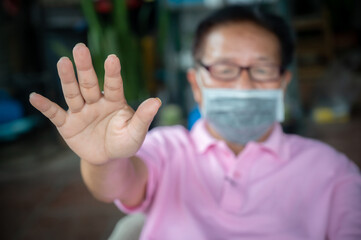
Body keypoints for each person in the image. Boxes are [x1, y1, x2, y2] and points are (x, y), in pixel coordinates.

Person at [30, 5, 361, 240]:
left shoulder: (333, 171)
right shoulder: (166, 147)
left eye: (261, 70)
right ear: (195, 83)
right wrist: (102, 158)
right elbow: (119, 184)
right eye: (224, 69)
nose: (243, 86)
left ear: (283, 82)